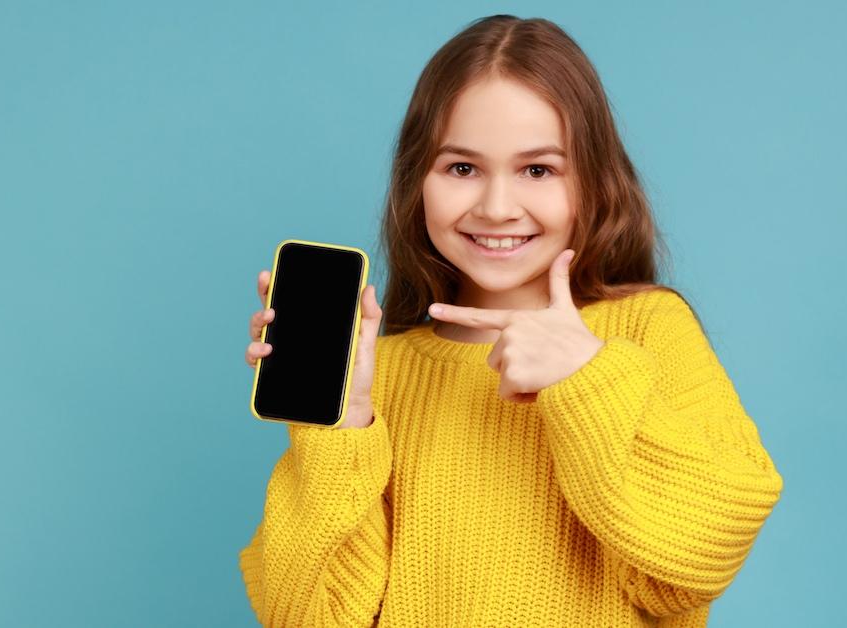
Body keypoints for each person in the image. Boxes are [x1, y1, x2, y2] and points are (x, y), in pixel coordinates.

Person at [239, 14, 783, 627]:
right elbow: (307, 617)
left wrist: (588, 379)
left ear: (595, 183)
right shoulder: (377, 377)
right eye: (462, 168)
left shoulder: (645, 331)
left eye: (539, 169)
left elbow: (695, 563)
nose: (497, 208)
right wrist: (343, 425)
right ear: (417, 183)